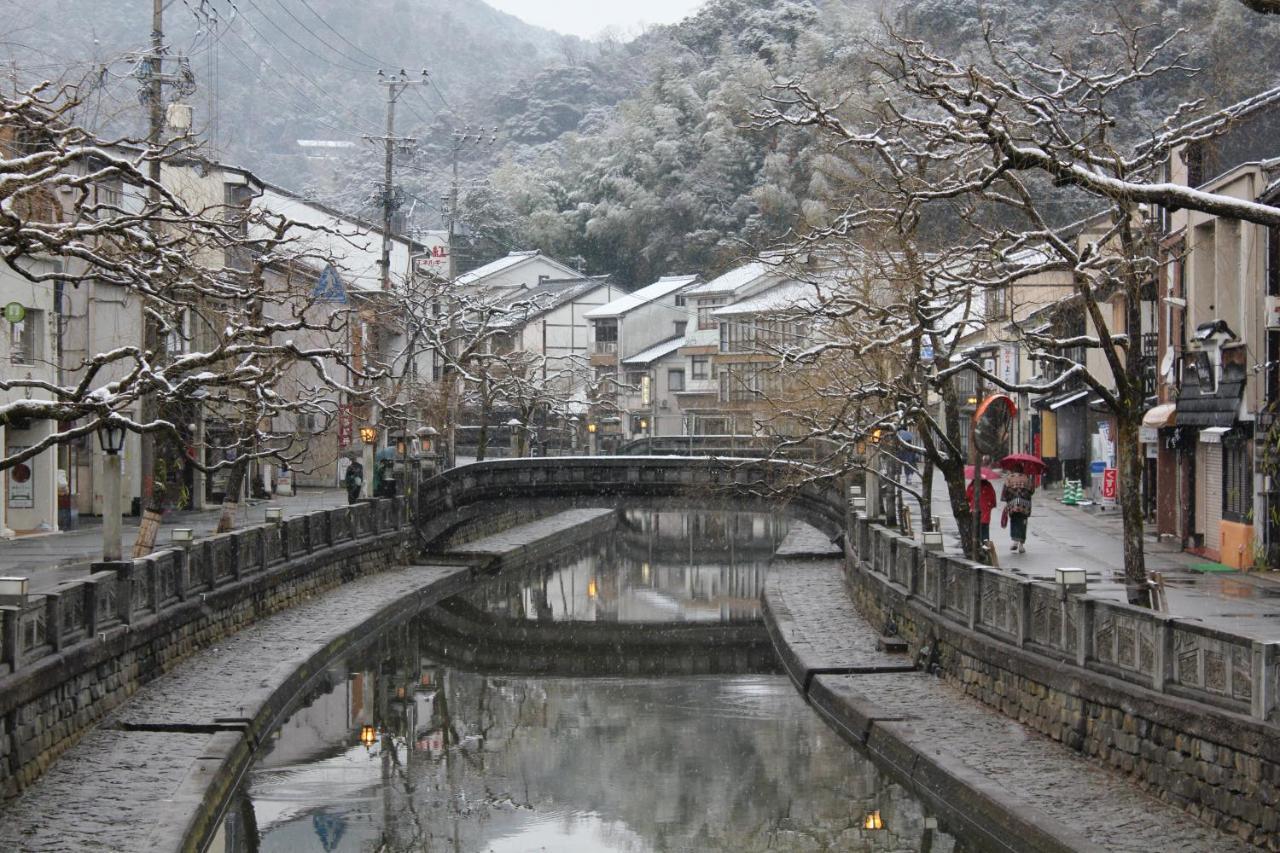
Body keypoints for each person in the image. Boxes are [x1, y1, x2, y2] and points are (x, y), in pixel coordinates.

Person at [1002, 469, 1035, 553]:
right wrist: (1023, 492)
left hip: (1013, 504)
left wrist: (1009, 497)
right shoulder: (1026, 478)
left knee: (1014, 521)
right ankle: (1021, 545)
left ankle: (1015, 542)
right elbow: (1032, 490)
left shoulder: (1009, 478)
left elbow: (1005, 492)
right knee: (1023, 523)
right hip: (1025, 505)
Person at [966, 477, 997, 545]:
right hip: (985, 512)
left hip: (974, 511)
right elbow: (992, 497)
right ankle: (985, 546)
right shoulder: (988, 485)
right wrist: (992, 505)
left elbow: (967, 497)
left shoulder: (972, 485)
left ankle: (976, 545)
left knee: (975, 530)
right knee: (985, 530)